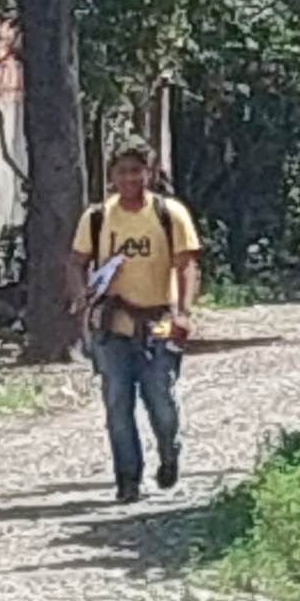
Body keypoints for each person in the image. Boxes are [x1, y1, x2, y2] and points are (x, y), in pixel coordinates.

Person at [66, 143, 202, 504]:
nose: (130, 178)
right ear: (112, 176)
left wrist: (184, 313)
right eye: (123, 171)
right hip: (112, 325)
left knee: (161, 399)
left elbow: (186, 266)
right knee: (117, 403)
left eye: (137, 171)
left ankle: (169, 453)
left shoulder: (168, 214)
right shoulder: (97, 218)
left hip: (158, 322)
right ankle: (128, 479)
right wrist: (81, 297)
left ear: (150, 173)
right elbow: (76, 262)